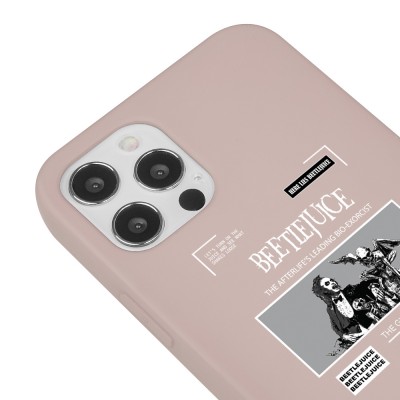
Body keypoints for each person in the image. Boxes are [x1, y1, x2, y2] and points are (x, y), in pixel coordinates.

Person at [312, 276, 378, 346]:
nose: (332, 282)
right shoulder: (330, 309)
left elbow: (365, 285)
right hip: (360, 337)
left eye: (331, 280)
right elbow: (334, 326)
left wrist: (372, 287)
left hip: (374, 325)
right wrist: (343, 336)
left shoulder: (350, 290)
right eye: (327, 283)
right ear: (324, 291)